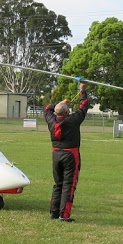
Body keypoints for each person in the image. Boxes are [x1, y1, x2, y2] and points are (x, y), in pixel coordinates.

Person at [44, 82, 90, 222]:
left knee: (58, 184)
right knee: (68, 185)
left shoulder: (51, 120)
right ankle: (64, 215)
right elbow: (84, 106)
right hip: (70, 155)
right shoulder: (72, 120)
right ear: (67, 112)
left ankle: (54, 212)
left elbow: (47, 108)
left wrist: (60, 102)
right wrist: (82, 91)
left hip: (56, 155)